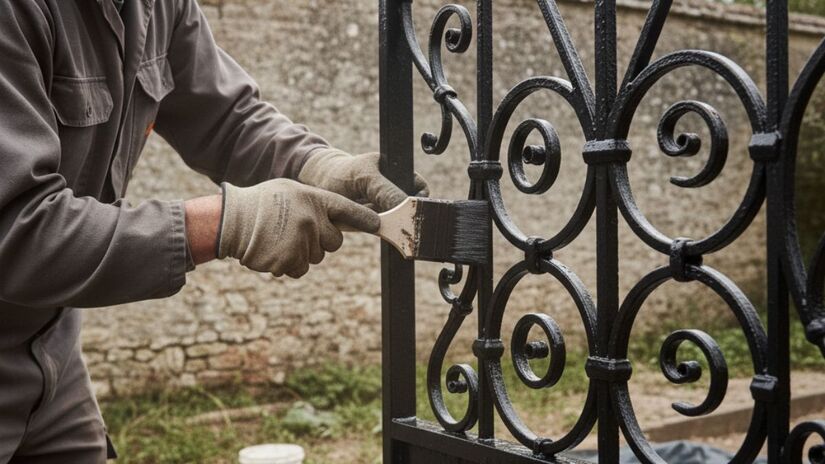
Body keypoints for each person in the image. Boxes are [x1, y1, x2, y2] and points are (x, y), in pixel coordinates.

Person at [0, 0, 427, 462]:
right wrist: (227, 221)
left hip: (51, 350)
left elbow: (228, 119)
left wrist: (318, 165)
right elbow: (18, 230)